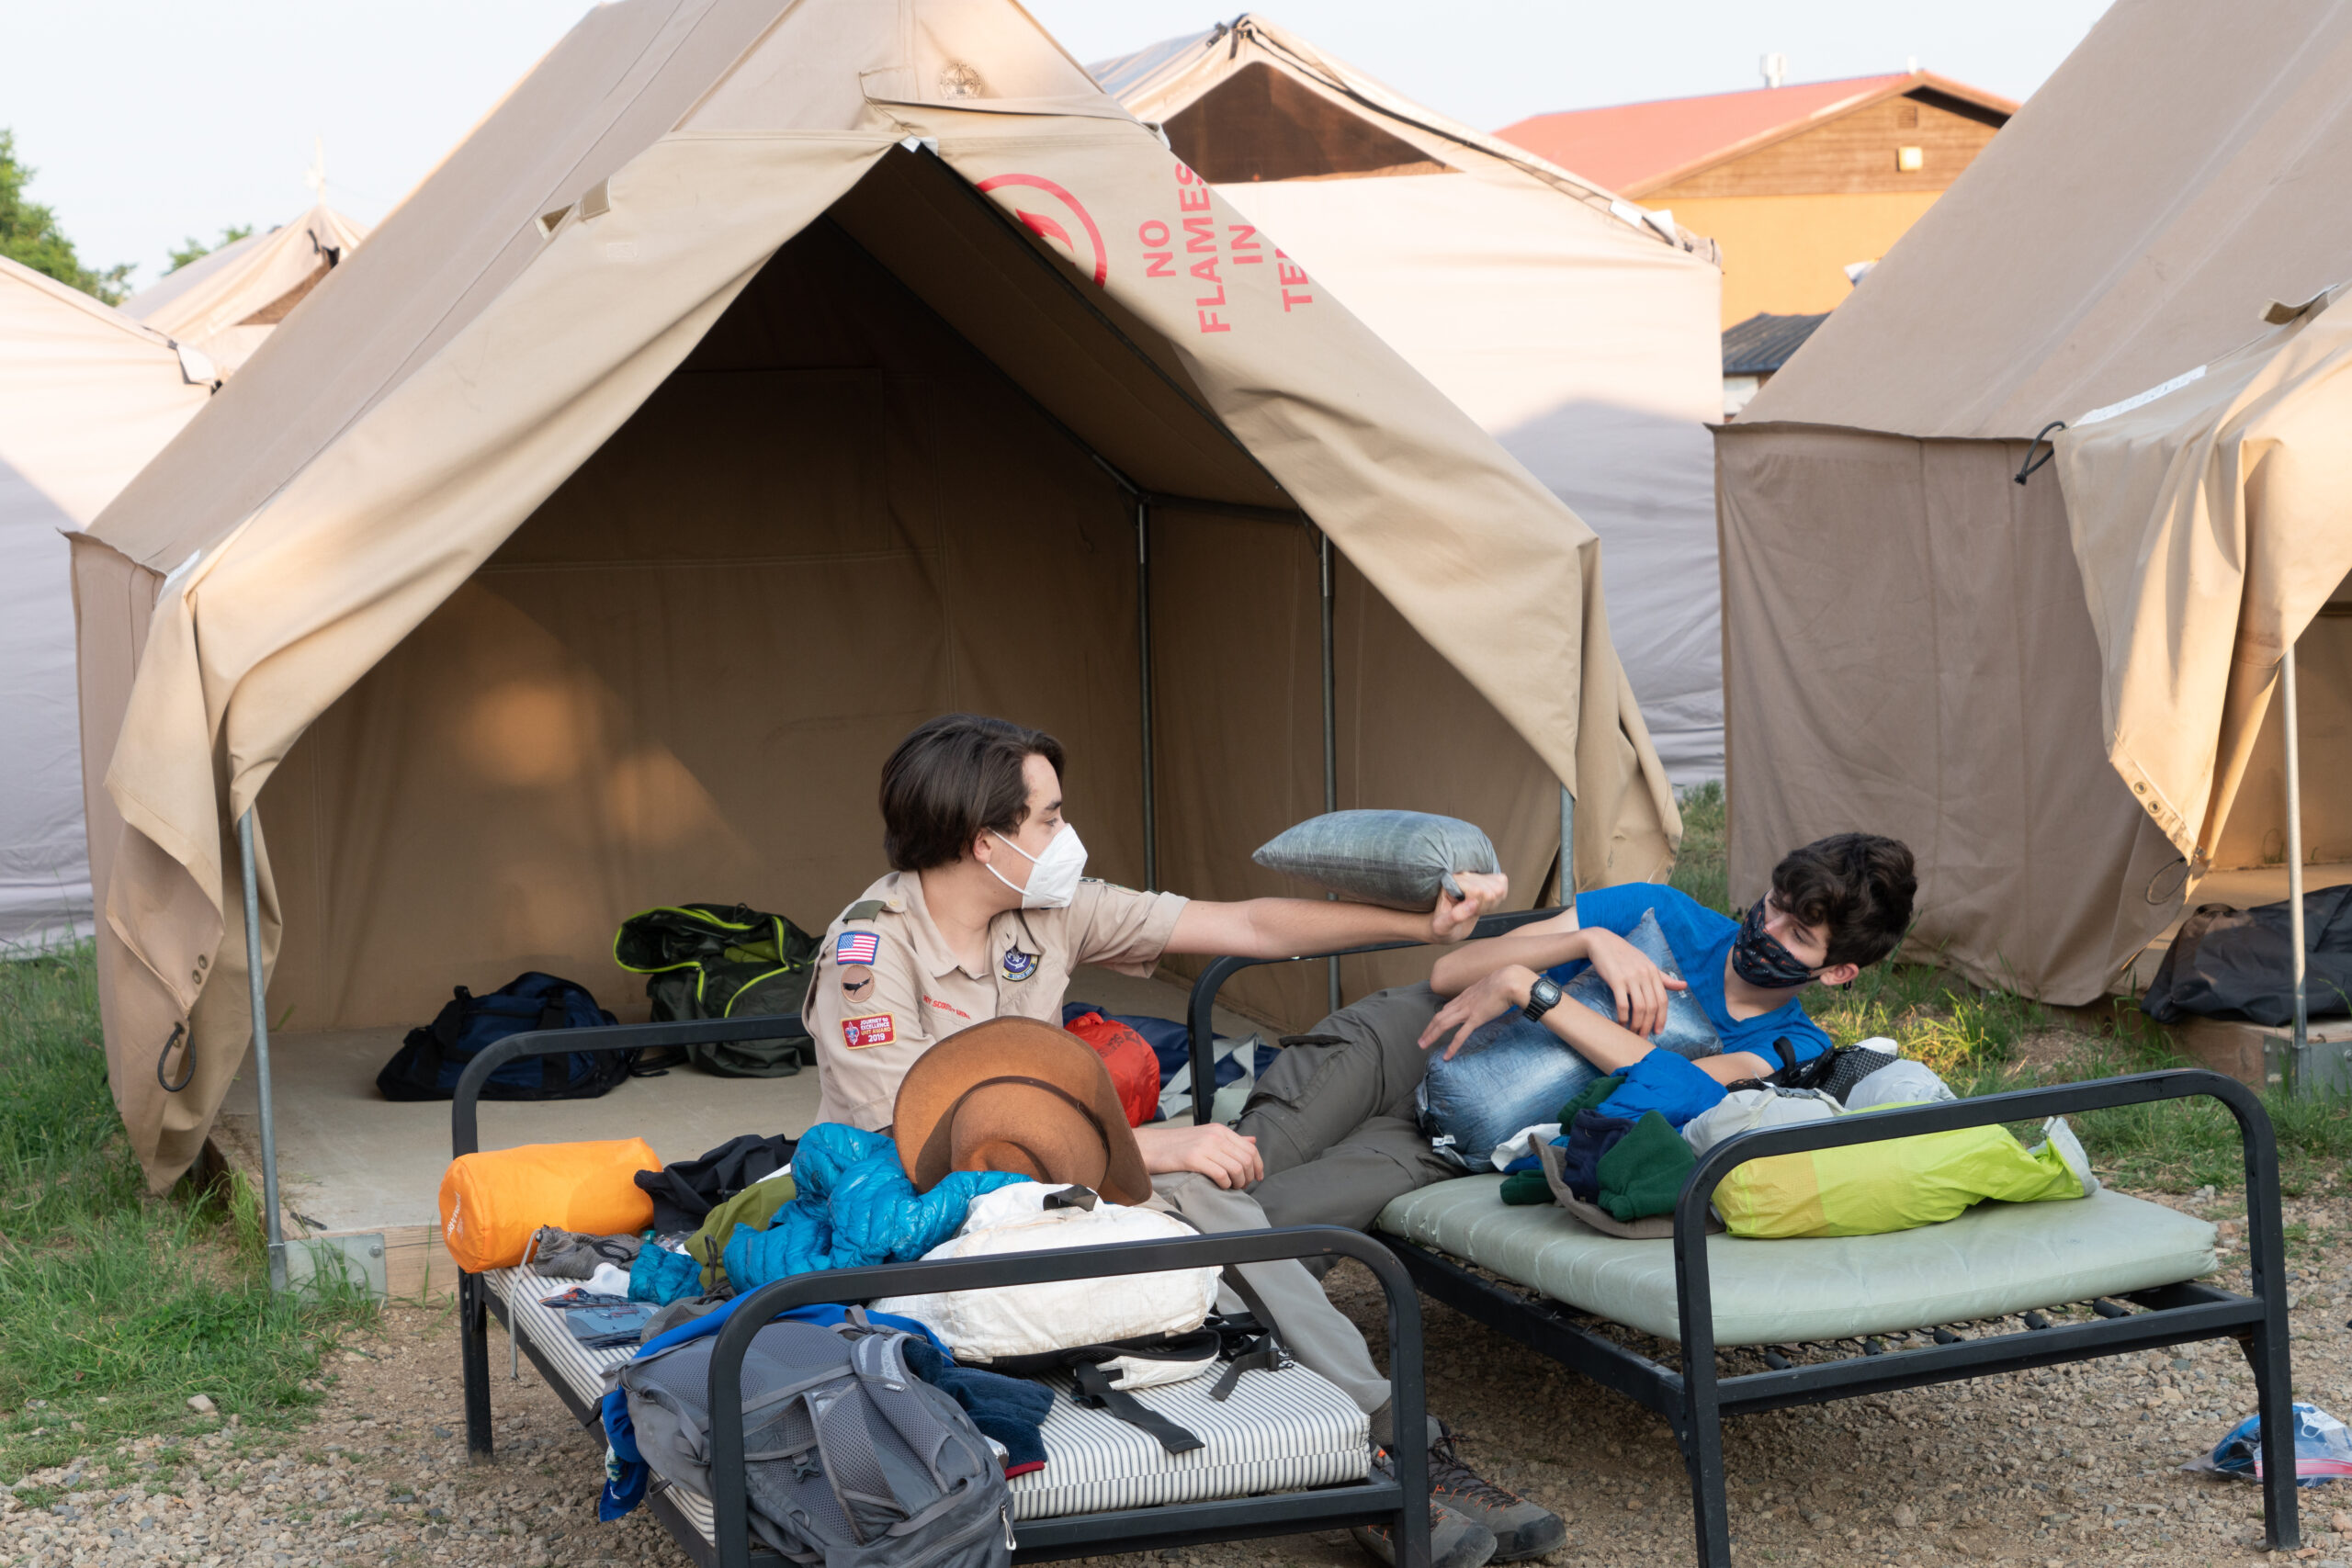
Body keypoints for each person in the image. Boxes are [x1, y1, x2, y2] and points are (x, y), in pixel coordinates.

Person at [804, 713, 1561, 1568]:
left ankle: (1388, 1448)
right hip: (919, 1210)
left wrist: (1421, 923)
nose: (1067, 834)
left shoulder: (1043, 909)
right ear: (986, 841)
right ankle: (1371, 1464)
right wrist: (1150, 1146)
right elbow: (919, 1153)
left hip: (1054, 1187)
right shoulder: (869, 951)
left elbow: (1249, 928)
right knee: (1202, 1195)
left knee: (1225, 1215)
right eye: (1050, 817)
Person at [1229, 834, 1918, 1231]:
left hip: (1463, 1134)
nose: (1765, 931)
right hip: (1406, 1038)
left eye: (1798, 934)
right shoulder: (1659, 910)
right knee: (1242, 1161)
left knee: (1273, 1220)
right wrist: (1590, 938)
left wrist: (1532, 989)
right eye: (1773, 906)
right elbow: (1451, 971)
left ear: (1837, 972)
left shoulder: (1787, 1047)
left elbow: (1669, 1080)